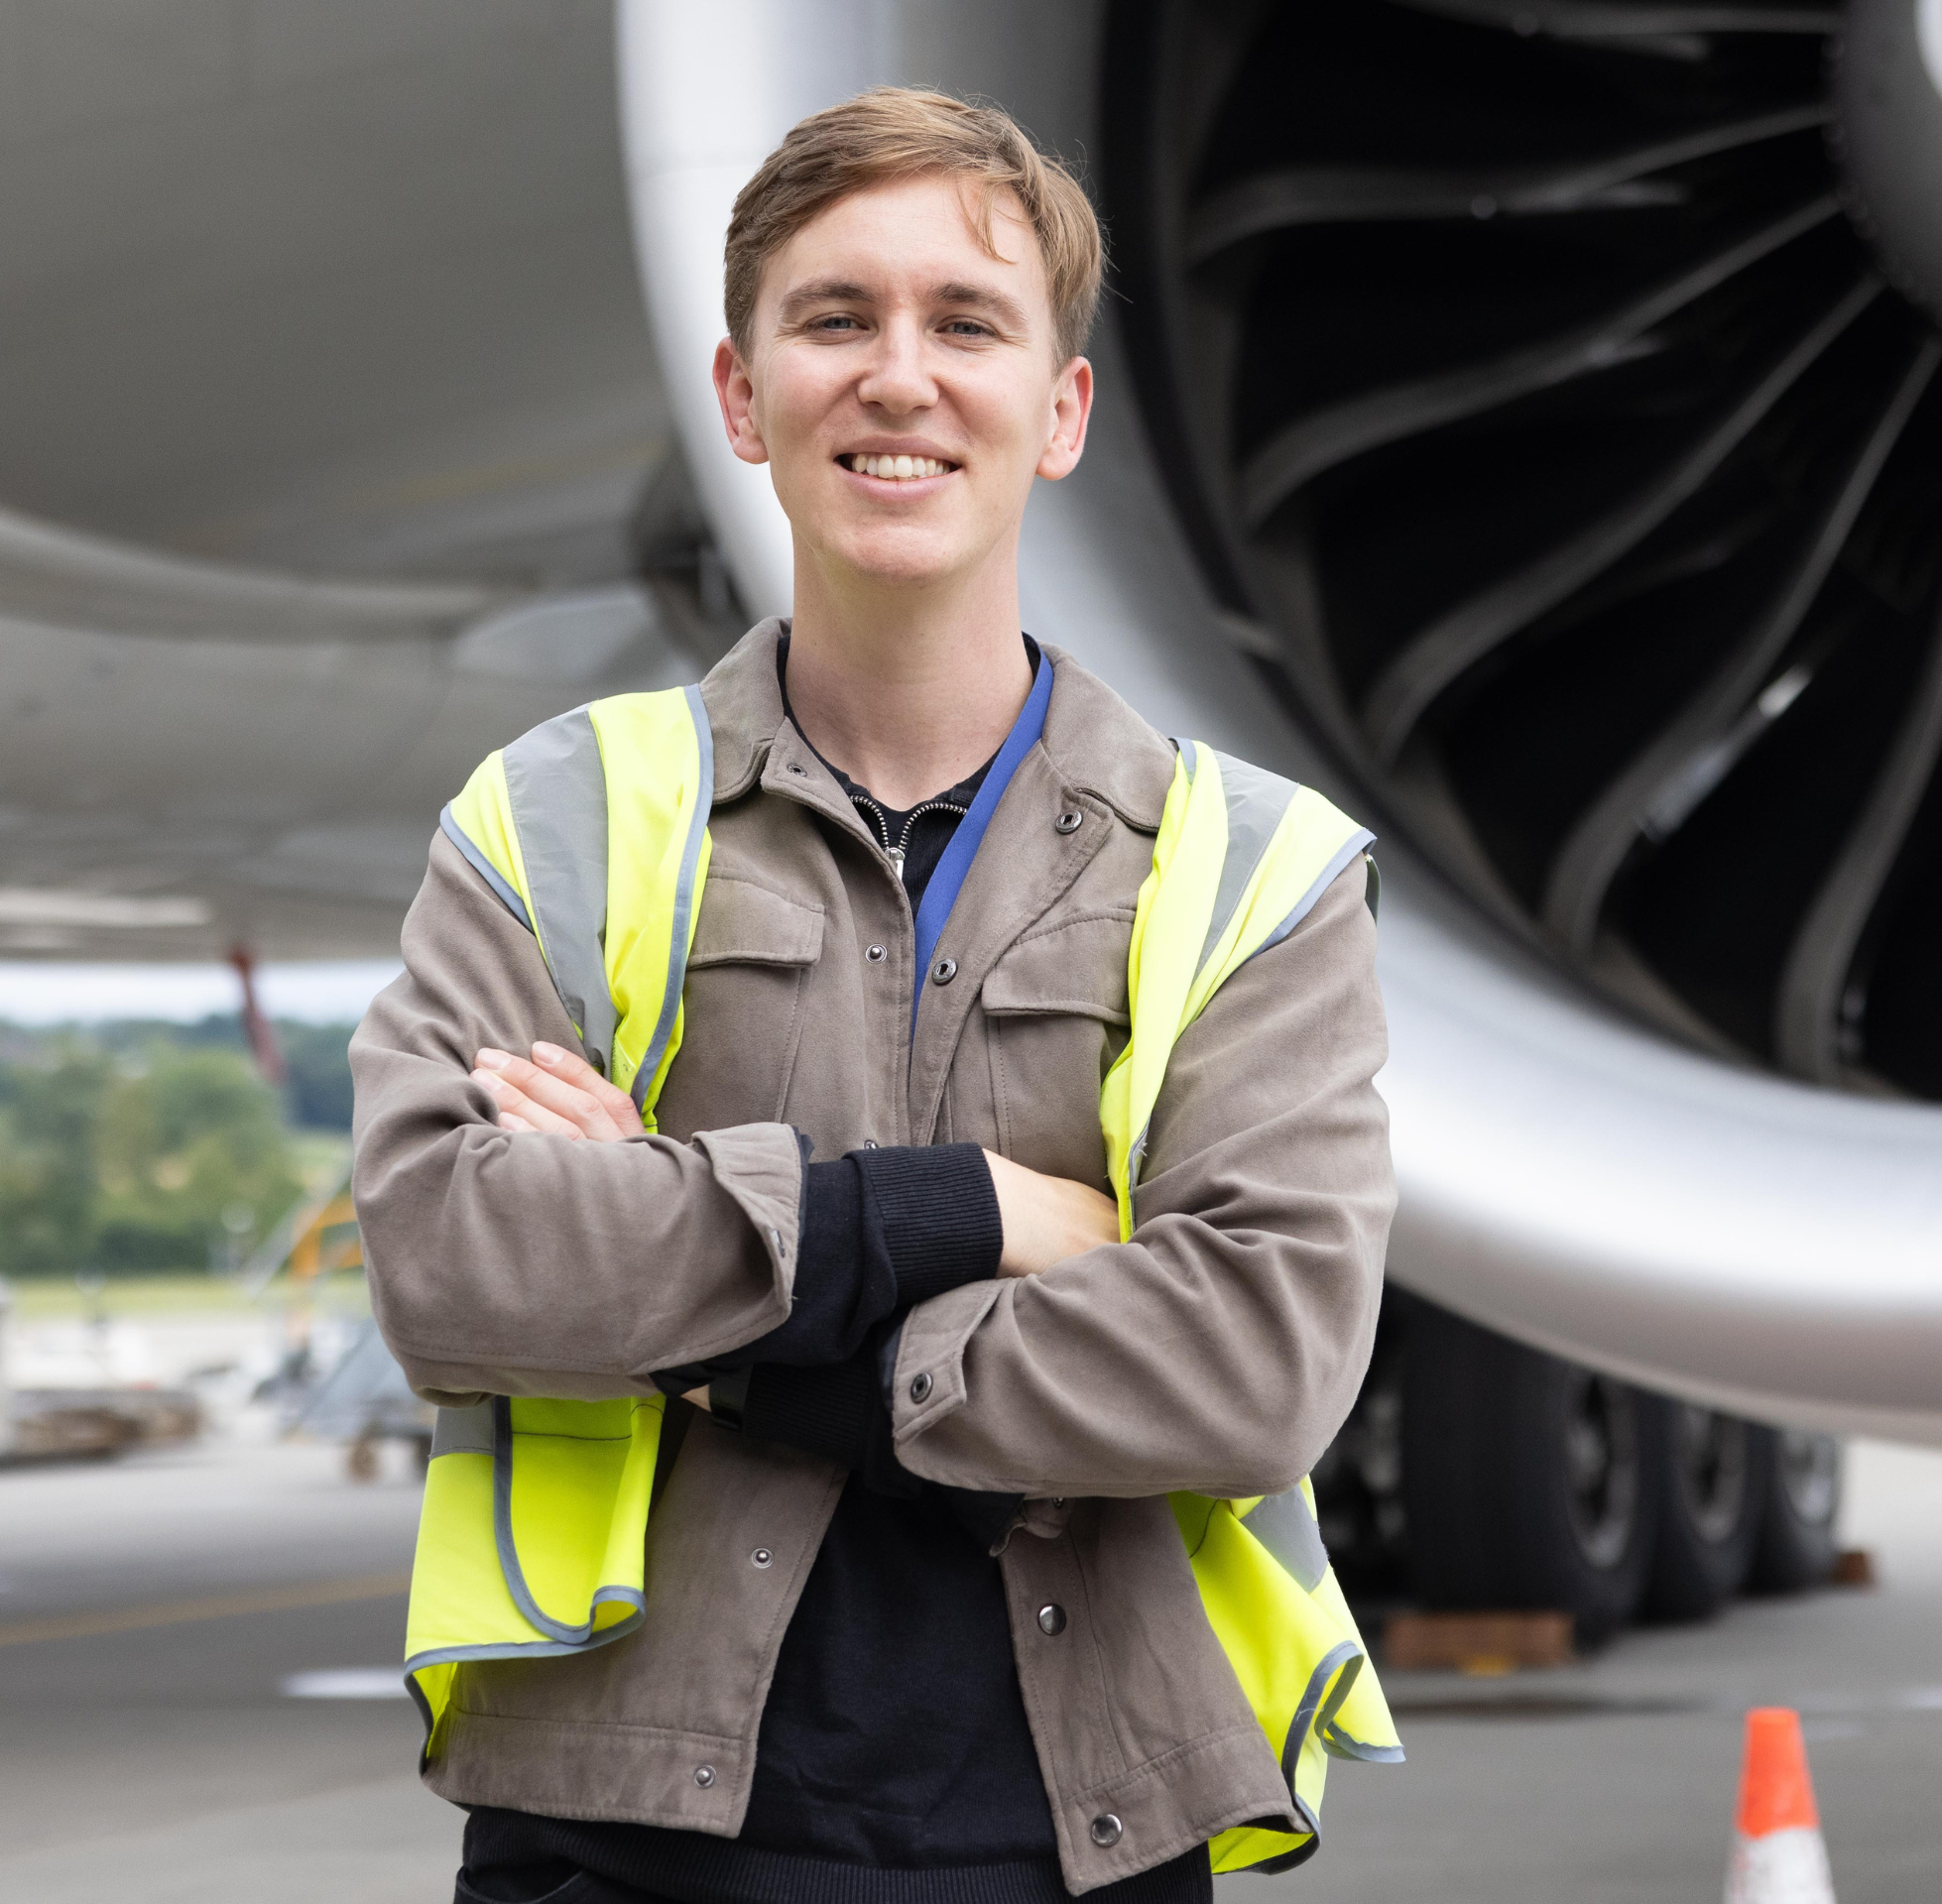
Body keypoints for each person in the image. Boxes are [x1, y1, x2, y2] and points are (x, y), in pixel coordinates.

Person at [351, 86, 1395, 1904]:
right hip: (620, 1842)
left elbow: (1258, 1357)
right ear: (741, 396)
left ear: (1059, 411)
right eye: (836, 318)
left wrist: (723, 1347)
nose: (898, 377)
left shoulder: (1251, 865)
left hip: (1072, 1841)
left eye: (966, 323)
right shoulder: (561, 817)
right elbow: (452, 1256)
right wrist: (963, 1212)